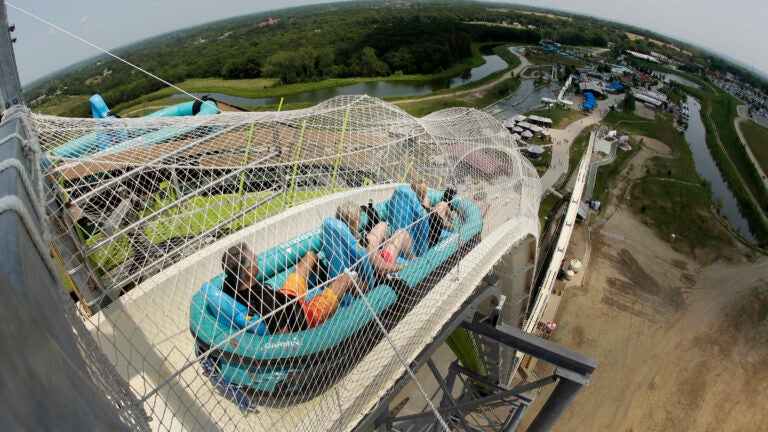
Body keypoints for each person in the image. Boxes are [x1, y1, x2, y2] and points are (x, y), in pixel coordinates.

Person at [221, 243, 360, 334]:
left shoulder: (229, 284)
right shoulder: (266, 302)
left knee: (310, 256)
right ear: (248, 271)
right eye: (254, 259)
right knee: (348, 278)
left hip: (285, 297)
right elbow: (285, 337)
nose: (257, 257)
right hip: (306, 316)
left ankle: (328, 283)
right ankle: (369, 293)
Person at [335, 201, 414, 274]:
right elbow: (383, 267)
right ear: (358, 221)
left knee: (382, 225)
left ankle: (386, 245)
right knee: (401, 233)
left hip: (368, 265)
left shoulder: (340, 240)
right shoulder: (363, 243)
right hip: (380, 271)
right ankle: (414, 260)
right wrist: (403, 266)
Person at [411, 180, 457, 247]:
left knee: (438, 204)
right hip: (432, 231)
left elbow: (428, 211)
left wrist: (433, 208)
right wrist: (454, 228)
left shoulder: (412, 204)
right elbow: (439, 220)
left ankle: (451, 214)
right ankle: (452, 216)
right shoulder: (425, 204)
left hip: (428, 220)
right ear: (425, 192)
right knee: (443, 204)